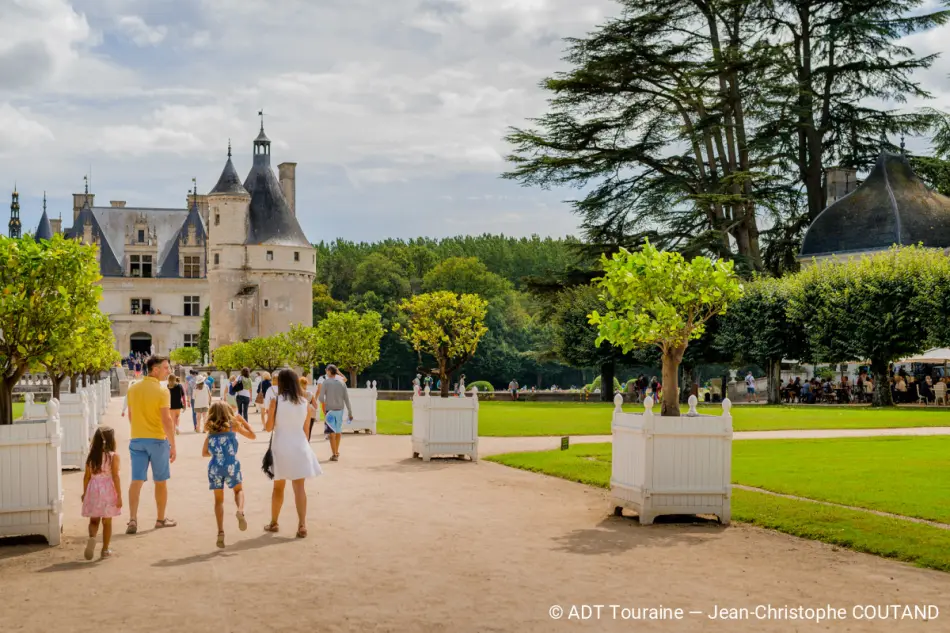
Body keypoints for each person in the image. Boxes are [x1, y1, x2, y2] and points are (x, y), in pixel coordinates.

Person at [264, 369, 323, 537]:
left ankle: (274, 522)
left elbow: (268, 428)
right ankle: (302, 525)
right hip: (299, 446)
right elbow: (306, 432)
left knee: (278, 488)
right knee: (299, 488)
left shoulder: (276, 401)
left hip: (281, 446)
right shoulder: (304, 402)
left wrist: (271, 412)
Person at [125, 355, 176, 534]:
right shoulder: (162, 391)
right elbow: (166, 420)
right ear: (155, 369)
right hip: (157, 440)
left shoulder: (133, 388)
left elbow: (131, 415)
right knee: (160, 481)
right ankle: (160, 519)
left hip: (137, 439)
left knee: (136, 480)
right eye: (165, 368)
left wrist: (139, 429)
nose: (168, 371)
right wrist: (173, 444)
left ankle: (132, 519)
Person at [202, 401, 256, 548]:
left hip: (215, 467)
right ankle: (240, 511)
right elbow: (252, 435)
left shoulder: (211, 431)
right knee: (238, 490)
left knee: (218, 501)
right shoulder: (234, 427)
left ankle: (220, 532)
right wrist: (243, 420)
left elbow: (204, 453)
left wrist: (217, 454)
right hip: (231, 464)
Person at [81, 426, 122, 560]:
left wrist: (85, 493)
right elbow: (115, 476)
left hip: (93, 489)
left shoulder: (92, 456)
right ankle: (105, 549)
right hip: (107, 490)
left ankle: (92, 538)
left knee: (94, 520)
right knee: (107, 521)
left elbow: (86, 476)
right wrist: (119, 496)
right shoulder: (113, 456)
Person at [319, 365, 354, 461]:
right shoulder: (342, 383)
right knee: (338, 431)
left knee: (331, 433)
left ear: (329, 371)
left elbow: (321, 398)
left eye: (327, 370)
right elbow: (346, 399)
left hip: (330, 411)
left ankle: (334, 453)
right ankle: (336, 452)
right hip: (340, 410)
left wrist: (325, 403)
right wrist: (350, 412)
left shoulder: (326, 382)